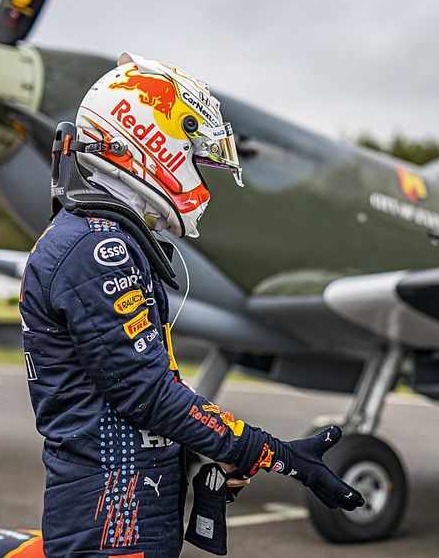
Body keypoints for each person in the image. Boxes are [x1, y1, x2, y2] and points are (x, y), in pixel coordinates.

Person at [19, 53, 363, 557]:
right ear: (150, 141)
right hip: (112, 522)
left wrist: (203, 455)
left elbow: (127, 398)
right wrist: (272, 453)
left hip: (127, 509)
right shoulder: (96, 248)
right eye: (194, 154)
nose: (199, 172)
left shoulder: (101, 237)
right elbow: (147, 394)